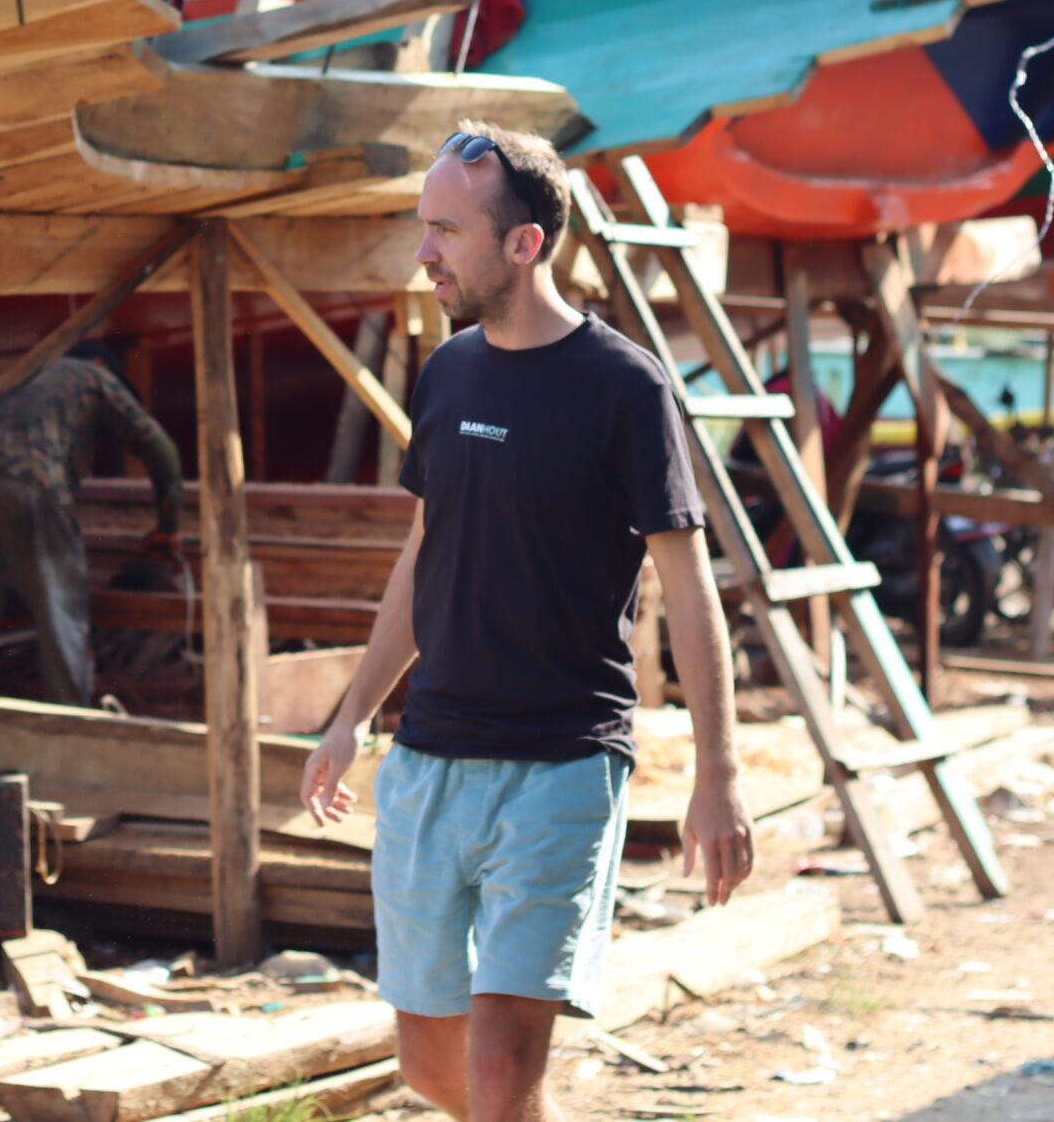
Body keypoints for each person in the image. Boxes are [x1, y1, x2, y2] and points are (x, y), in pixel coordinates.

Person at [299, 123, 754, 1122]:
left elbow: (688, 586)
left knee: (504, 1069)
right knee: (433, 1070)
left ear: (523, 245)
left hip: (559, 766)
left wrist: (716, 779)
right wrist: (351, 716)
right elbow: (425, 556)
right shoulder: (448, 373)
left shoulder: (624, 387)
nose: (425, 253)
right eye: (424, 228)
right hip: (429, 766)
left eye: (446, 232)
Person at [0, 349, 184, 705]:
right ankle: (70, 721)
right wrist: (168, 527)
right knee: (61, 617)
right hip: (35, 489)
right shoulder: (96, 376)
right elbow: (160, 449)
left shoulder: (24, 368)